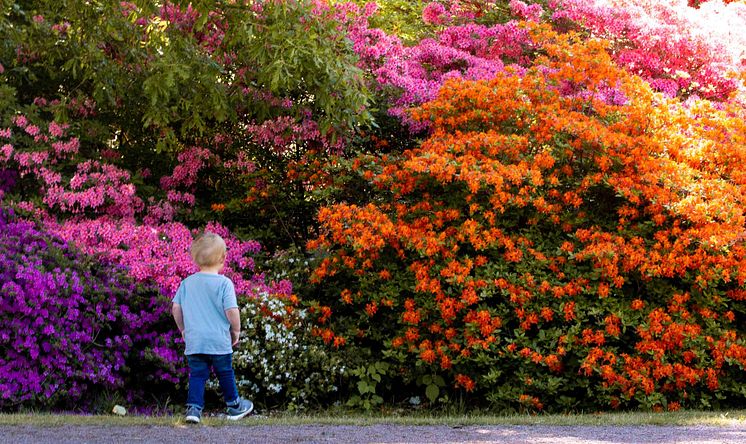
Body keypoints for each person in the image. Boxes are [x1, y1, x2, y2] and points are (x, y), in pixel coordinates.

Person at [172, 232, 253, 424]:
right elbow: (232, 310)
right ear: (223, 258)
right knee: (224, 371)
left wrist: (183, 329)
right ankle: (234, 406)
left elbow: (176, 308)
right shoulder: (224, 284)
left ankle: (193, 409)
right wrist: (236, 331)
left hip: (195, 340)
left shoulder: (186, 283)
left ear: (195, 259)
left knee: (198, 374)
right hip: (218, 339)